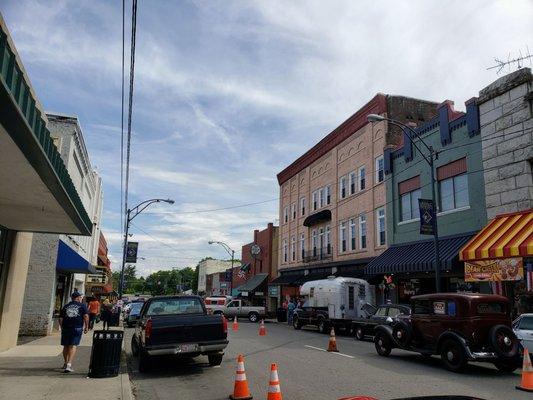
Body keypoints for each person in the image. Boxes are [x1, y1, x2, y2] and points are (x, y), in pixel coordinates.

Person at [59, 290, 89, 373]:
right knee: (72, 345)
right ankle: (69, 364)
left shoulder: (66, 306)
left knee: (65, 346)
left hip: (66, 328)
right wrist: (86, 326)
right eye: (80, 297)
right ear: (78, 298)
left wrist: (62, 327)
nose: (81, 298)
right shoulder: (82, 305)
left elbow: (61, 318)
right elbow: (86, 316)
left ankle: (65, 363)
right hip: (77, 327)